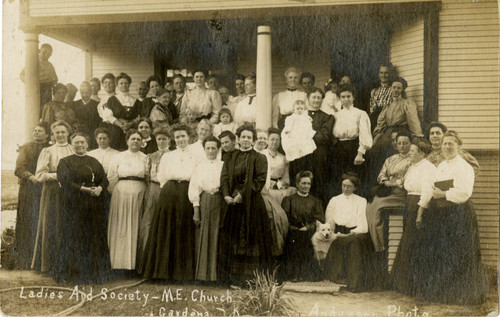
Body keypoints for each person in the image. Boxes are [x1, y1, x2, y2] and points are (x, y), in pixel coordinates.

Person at [412, 131, 488, 305]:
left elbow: (465, 193)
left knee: (459, 254)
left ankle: (460, 295)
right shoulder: (441, 166)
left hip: (459, 214)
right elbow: (431, 188)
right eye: (445, 143)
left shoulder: (464, 167)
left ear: (458, 146)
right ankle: (443, 294)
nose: (447, 147)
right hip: (441, 214)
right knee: (443, 253)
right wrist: (422, 209)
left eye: (451, 144)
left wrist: (444, 194)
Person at [139, 124, 198, 280]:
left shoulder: (196, 154)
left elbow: (197, 176)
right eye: (177, 137)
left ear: (189, 137)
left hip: (186, 191)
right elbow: (162, 177)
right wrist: (170, 190)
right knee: (166, 229)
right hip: (169, 193)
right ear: (174, 139)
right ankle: (162, 272)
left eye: (183, 136)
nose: (180, 139)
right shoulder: (168, 156)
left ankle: (182, 274)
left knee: (183, 229)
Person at [218, 123, 272, 284]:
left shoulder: (260, 158)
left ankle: (252, 279)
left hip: (252, 204)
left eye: (249, 137)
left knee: (252, 238)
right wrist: (227, 195)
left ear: (253, 140)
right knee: (232, 238)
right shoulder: (230, 156)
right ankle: (233, 279)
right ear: (238, 140)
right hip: (232, 203)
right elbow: (225, 178)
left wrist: (242, 194)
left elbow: (259, 180)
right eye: (243, 137)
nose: (246, 140)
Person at [54, 133, 111, 283]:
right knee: (74, 236)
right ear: (72, 144)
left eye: (82, 142)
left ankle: (92, 273)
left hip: (93, 205)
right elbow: (65, 181)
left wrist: (99, 188)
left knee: (92, 236)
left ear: (87, 144)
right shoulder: (65, 162)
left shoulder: (94, 161)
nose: (79, 145)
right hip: (74, 204)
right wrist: (84, 189)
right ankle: (73, 274)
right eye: (76, 143)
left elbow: (104, 179)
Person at [390, 138, 435, 296]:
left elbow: (427, 191)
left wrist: (420, 213)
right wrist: (401, 182)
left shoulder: (428, 168)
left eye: (412, 150)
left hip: (419, 206)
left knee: (416, 245)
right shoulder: (413, 166)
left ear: (422, 153)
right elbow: (408, 185)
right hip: (409, 205)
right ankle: (405, 285)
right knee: (407, 244)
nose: (409, 152)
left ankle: (417, 286)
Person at [31, 120, 74, 272]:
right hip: (52, 192)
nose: (60, 135)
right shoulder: (48, 151)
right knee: (52, 224)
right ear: (53, 134)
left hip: (72, 192)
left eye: (63, 132)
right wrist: (59, 176)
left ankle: (69, 265)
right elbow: (39, 175)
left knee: (70, 225)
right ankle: (50, 265)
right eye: (57, 132)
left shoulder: (75, 149)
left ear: (68, 133)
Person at [107, 129, 148, 270]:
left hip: (139, 193)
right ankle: (119, 264)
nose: (135, 141)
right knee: (121, 226)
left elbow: (148, 177)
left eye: (138, 139)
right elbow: (112, 177)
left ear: (142, 142)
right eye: (133, 139)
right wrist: (114, 195)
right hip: (121, 193)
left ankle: (135, 265)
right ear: (127, 141)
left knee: (136, 225)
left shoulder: (145, 157)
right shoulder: (119, 157)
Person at [324, 173, 372, 292]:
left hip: (354, 233)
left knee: (354, 245)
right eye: (344, 185)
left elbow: (363, 224)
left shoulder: (361, 201)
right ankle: (334, 279)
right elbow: (329, 222)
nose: (346, 189)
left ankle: (353, 284)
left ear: (355, 187)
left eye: (349, 186)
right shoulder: (334, 200)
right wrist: (333, 234)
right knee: (335, 242)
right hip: (338, 232)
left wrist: (352, 233)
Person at [366, 130, 412, 253]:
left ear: (410, 144)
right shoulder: (390, 159)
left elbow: (409, 178)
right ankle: (376, 241)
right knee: (370, 205)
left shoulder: (413, 160)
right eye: (399, 143)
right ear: (396, 144)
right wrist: (386, 181)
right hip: (388, 191)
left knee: (377, 207)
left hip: (401, 194)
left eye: (405, 143)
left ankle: (380, 245)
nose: (402, 146)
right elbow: (381, 175)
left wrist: (395, 182)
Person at [288, 88, 335, 207]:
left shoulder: (327, 117)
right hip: (301, 155)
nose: (316, 100)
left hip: (318, 155)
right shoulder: (298, 115)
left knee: (318, 183)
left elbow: (324, 135)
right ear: (308, 99)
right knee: (300, 181)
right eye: (314, 97)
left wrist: (304, 138)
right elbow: (291, 131)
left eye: (319, 98)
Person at [13, 122, 50, 269]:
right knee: (28, 219)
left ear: (47, 134)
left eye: (40, 131)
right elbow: (19, 168)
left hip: (45, 188)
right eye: (35, 131)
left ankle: (41, 259)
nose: (36, 133)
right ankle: (25, 259)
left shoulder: (50, 148)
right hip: (29, 189)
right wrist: (31, 177)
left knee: (43, 219)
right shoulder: (27, 147)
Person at [188, 136, 225, 281]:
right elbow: (194, 188)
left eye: (213, 148)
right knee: (204, 234)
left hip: (220, 201)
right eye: (208, 148)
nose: (210, 151)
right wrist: (196, 210)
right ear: (204, 150)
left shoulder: (223, 165)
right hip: (205, 201)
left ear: (218, 149)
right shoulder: (200, 166)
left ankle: (216, 276)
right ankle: (203, 275)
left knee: (218, 235)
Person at [281, 171, 324, 281]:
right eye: (303, 183)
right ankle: (293, 273)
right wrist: (294, 228)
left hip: (310, 232)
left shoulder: (315, 201)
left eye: (308, 184)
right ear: (297, 184)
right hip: (292, 232)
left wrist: (308, 228)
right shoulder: (288, 200)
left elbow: (319, 219)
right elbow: (284, 218)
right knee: (295, 239)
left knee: (305, 240)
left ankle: (306, 273)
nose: (306, 186)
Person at [136, 127, 171, 265]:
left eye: (164, 139)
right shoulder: (150, 156)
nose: (161, 141)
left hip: (167, 189)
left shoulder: (173, 155)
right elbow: (146, 176)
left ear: (169, 140)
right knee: (147, 222)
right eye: (159, 139)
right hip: (153, 188)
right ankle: (144, 262)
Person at [331, 84, 372, 195]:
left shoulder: (360, 113)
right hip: (339, 148)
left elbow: (365, 134)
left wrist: (360, 153)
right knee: (340, 177)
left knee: (354, 177)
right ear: (339, 98)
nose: (346, 99)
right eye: (343, 97)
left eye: (348, 96)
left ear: (353, 97)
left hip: (354, 147)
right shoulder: (336, 115)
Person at [372, 77, 423, 155]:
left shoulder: (407, 104)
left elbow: (413, 121)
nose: (396, 90)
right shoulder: (387, 106)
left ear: (402, 90)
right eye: (394, 87)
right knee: (377, 149)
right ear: (391, 89)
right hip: (388, 133)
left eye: (399, 88)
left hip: (401, 132)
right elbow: (381, 124)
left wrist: (417, 137)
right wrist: (376, 137)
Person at [103, 73, 142, 150]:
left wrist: (130, 124)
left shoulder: (136, 101)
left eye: (126, 83)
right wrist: (122, 126)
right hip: (116, 131)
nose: (124, 85)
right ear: (117, 85)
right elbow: (109, 116)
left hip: (131, 131)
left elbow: (139, 117)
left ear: (129, 84)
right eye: (121, 83)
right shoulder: (112, 100)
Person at [20, 43, 58, 112]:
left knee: (45, 109)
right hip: (35, 88)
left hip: (46, 90)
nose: (46, 55)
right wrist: (30, 82)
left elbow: (55, 79)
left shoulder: (50, 65)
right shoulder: (33, 62)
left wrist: (51, 81)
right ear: (39, 51)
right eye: (44, 52)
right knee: (34, 109)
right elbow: (22, 74)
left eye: (49, 54)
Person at [262, 128, 296, 204]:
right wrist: (271, 184)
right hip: (265, 185)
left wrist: (283, 184)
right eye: (272, 139)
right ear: (267, 140)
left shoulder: (283, 157)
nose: (275, 142)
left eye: (277, 140)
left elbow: (285, 175)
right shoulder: (262, 154)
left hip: (279, 186)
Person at [72, 81, 101, 149]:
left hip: (92, 136)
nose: (85, 95)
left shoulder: (97, 105)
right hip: (78, 134)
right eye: (82, 93)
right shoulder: (74, 104)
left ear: (91, 92)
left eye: (87, 92)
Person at [369, 64, 394, 129]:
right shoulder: (374, 91)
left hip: (389, 119)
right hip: (376, 120)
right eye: (381, 73)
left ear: (390, 74)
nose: (383, 75)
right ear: (378, 74)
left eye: (386, 73)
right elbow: (372, 108)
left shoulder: (394, 90)